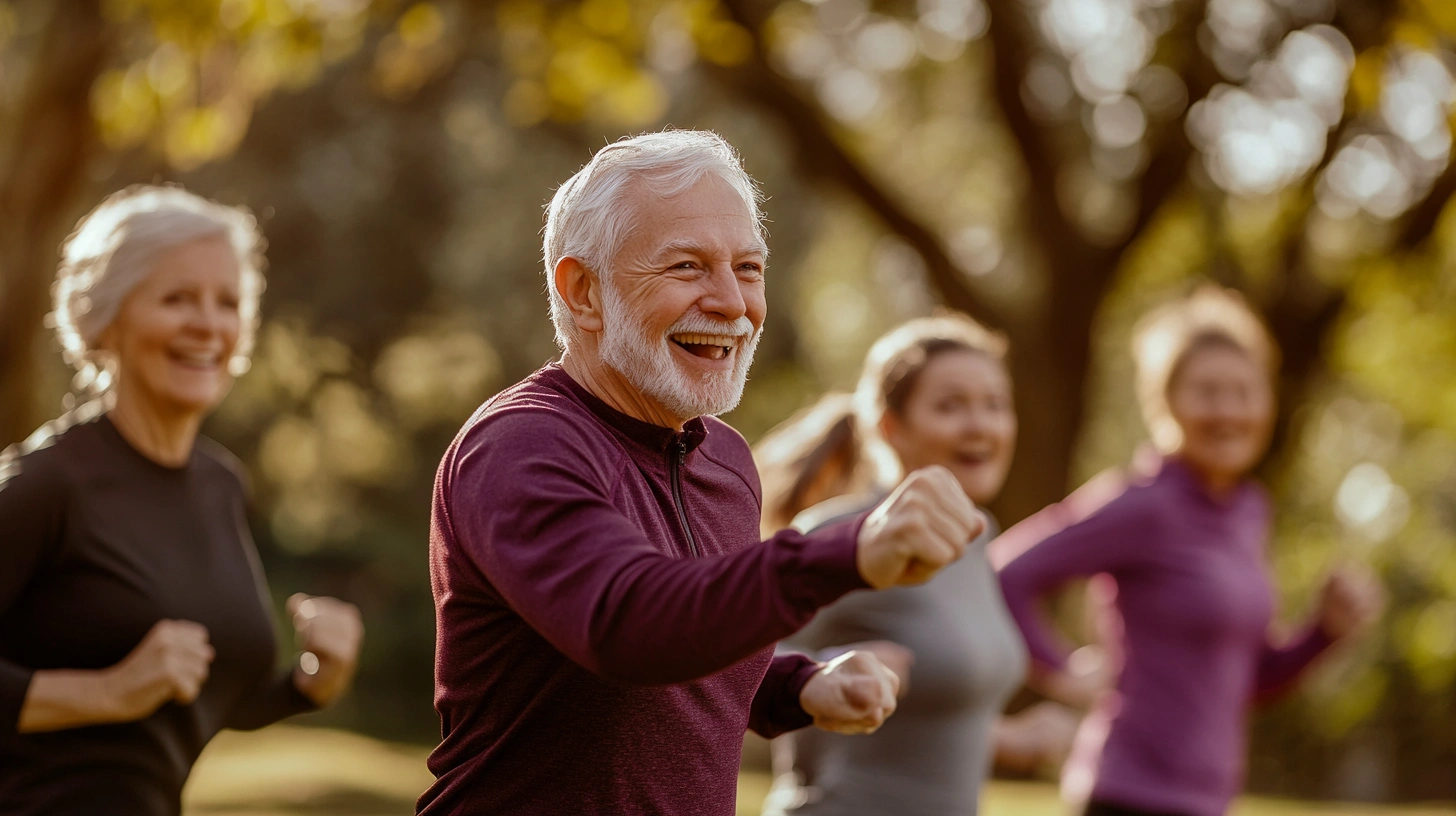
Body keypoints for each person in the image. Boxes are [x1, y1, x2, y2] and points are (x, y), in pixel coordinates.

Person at [419, 130, 988, 815]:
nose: (732, 303)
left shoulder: (725, 460)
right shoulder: (520, 445)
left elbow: (689, 643)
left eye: (748, 268)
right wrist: (851, 550)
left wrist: (796, 687)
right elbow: (627, 624)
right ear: (583, 292)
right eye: (687, 266)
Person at [0, 186, 364, 816]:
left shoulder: (220, 484)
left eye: (228, 302)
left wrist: (308, 683)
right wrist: (108, 691)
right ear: (105, 320)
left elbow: (197, 697)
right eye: (177, 299)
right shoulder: (48, 483)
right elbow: (134, 691)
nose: (208, 325)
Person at [995, 286, 1385, 816]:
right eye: (1206, 392)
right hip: (1125, 797)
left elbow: (1249, 680)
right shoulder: (1143, 505)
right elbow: (1006, 573)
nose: (1228, 411)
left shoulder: (1249, 512)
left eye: (1244, 392)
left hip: (1207, 801)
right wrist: (1060, 670)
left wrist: (1324, 633)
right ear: (1165, 403)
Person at [761, 314, 1029, 816]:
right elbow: (731, 667)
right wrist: (825, 671)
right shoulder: (840, 536)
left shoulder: (977, 536)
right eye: (950, 406)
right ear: (892, 428)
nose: (981, 425)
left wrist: (1013, 737)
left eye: (996, 405)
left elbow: (941, 703)